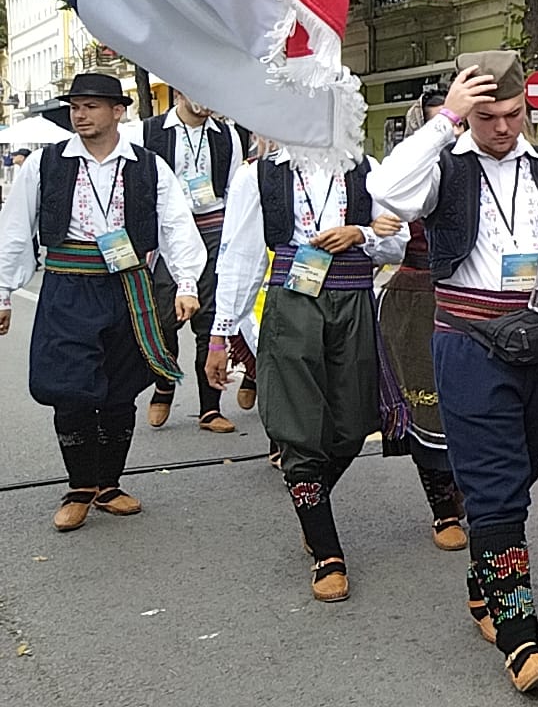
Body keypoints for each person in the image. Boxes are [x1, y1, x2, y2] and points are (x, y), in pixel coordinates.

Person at [369, 51, 538, 693]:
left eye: (513, 115)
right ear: (468, 113)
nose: (501, 128)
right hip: (468, 340)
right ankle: (522, 640)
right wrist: (445, 121)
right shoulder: (444, 166)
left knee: (519, 475)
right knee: (494, 489)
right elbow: (388, 190)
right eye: (487, 116)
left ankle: (483, 577)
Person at [0, 73, 204, 531]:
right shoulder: (46, 163)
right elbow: (15, 229)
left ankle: (108, 484)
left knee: (119, 389)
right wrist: (3, 291)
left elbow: (175, 225)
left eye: (91, 106)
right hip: (67, 286)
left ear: (118, 111)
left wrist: (187, 283)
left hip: (127, 288)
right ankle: (80, 486)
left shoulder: (148, 166)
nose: (80, 115)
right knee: (68, 388)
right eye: (75, 107)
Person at [207, 143, 408, 600]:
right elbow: (240, 257)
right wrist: (221, 334)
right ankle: (326, 550)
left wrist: (360, 233)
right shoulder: (259, 175)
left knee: (353, 425)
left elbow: (398, 241)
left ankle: (310, 498)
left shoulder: (367, 168)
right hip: (292, 303)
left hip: (353, 300)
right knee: (297, 428)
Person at [377, 89, 471, 551]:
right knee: (427, 405)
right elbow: (385, 234)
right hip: (415, 297)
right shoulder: (406, 172)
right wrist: (374, 231)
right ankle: (442, 508)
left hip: (470, 296)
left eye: (458, 122)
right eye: (442, 123)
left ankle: (471, 490)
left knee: (472, 402)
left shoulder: (477, 168)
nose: (452, 131)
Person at [129, 91, 247, 434]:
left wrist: (233, 240)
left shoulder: (228, 135)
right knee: (165, 316)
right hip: (167, 231)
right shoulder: (147, 131)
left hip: (212, 228)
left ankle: (210, 408)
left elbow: (233, 189)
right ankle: (165, 382)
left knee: (210, 318)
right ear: (179, 90)